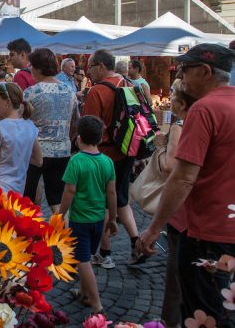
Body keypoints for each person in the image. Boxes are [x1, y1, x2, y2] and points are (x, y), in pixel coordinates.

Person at [137, 43, 235, 326]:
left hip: (204, 231)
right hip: (227, 227)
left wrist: (153, 229)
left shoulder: (204, 110)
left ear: (205, 71)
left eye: (185, 70)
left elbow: (182, 177)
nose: (180, 76)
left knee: (203, 312)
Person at [83, 49, 140, 269]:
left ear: (101, 66)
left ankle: (105, 253)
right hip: (126, 150)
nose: (88, 70)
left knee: (104, 203)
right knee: (121, 197)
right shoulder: (128, 85)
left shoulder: (96, 91)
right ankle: (136, 241)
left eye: (90, 66)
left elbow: (89, 126)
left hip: (104, 154)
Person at [59, 115, 118, 315]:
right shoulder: (108, 162)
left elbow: (69, 191)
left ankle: (96, 304)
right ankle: (83, 294)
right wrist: (114, 219)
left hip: (80, 220)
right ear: (100, 139)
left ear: (78, 138)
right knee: (89, 255)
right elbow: (111, 192)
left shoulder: (76, 161)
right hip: (99, 220)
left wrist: (60, 214)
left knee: (82, 261)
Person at [155, 78, 196, 328]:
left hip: (182, 212)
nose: (169, 97)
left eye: (172, 93)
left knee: (176, 277)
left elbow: (170, 167)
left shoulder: (180, 126)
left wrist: (160, 148)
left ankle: (169, 323)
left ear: (181, 102)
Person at [23, 48, 79, 214]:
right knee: (57, 199)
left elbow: (22, 122)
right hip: (62, 151)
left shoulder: (31, 93)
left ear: (38, 68)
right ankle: (63, 234)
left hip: (35, 152)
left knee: (28, 196)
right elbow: (75, 121)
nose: (30, 69)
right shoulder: (69, 91)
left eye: (32, 65)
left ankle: (28, 232)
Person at [0, 82, 42, 194]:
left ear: (8, 102)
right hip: (18, 188)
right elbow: (38, 161)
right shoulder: (30, 126)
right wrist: (20, 157)